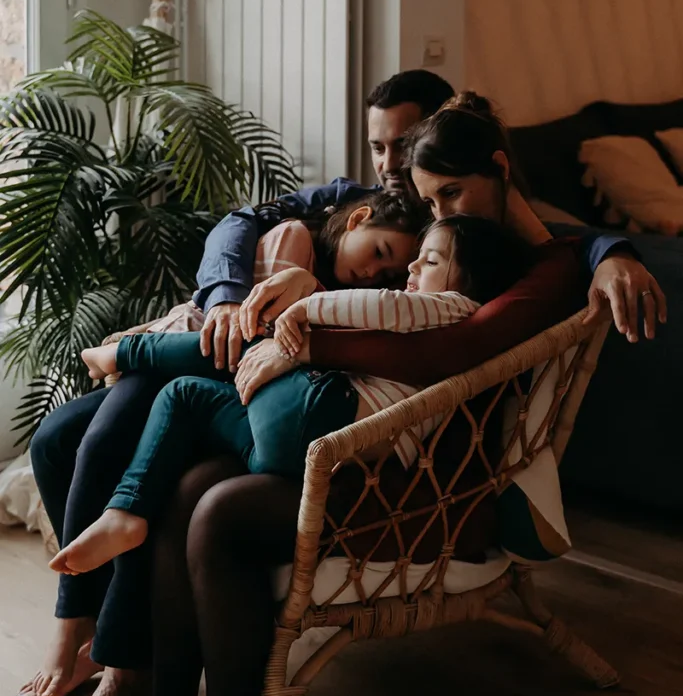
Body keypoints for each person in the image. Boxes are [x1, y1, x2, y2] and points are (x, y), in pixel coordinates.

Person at [21, 75, 664, 696]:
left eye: (448, 194)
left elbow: (450, 346)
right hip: (353, 429)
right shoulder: (427, 231)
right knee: (179, 482)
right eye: (425, 199)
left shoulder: (536, 265)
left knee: (216, 508)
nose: (431, 213)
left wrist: (302, 337)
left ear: (498, 170)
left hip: (421, 474)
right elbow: (267, 231)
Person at [52, 214, 531, 577]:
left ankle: (126, 351)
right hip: (289, 451)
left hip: (324, 412)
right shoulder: (441, 322)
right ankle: (125, 511)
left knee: (253, 339)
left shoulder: (452, 308)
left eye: (428, 261)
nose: (406, 268)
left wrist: (304, 310)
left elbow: (379, 306)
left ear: (470, 279)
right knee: (184, 395)